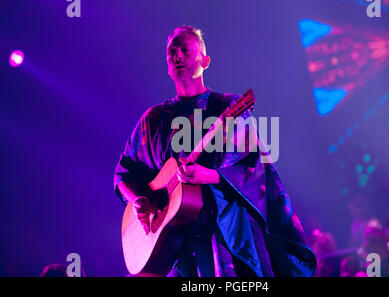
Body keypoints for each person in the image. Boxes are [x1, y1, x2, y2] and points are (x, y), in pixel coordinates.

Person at [113, 25, 316, 277]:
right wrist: (139, 200)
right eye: (171, 52)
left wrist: (209, 176)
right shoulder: (153, 119)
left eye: (185, 50)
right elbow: (123, 174)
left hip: (225, 239)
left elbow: (257, 170)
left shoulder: (227, 107)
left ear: (205, 61)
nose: (176, 56)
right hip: (173, 247)